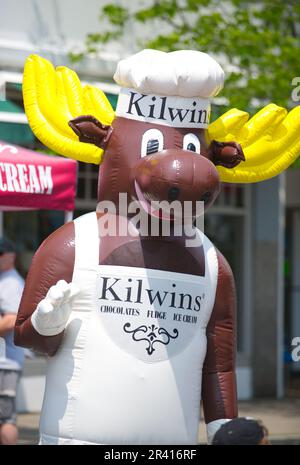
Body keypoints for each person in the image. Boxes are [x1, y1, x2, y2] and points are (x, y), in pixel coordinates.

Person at [0, 238, 25, 445]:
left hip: (5, 363)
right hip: (5, 362)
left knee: (6, 419)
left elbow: (10, 320)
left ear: (11, 256)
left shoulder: (10, 283)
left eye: (1, 253)